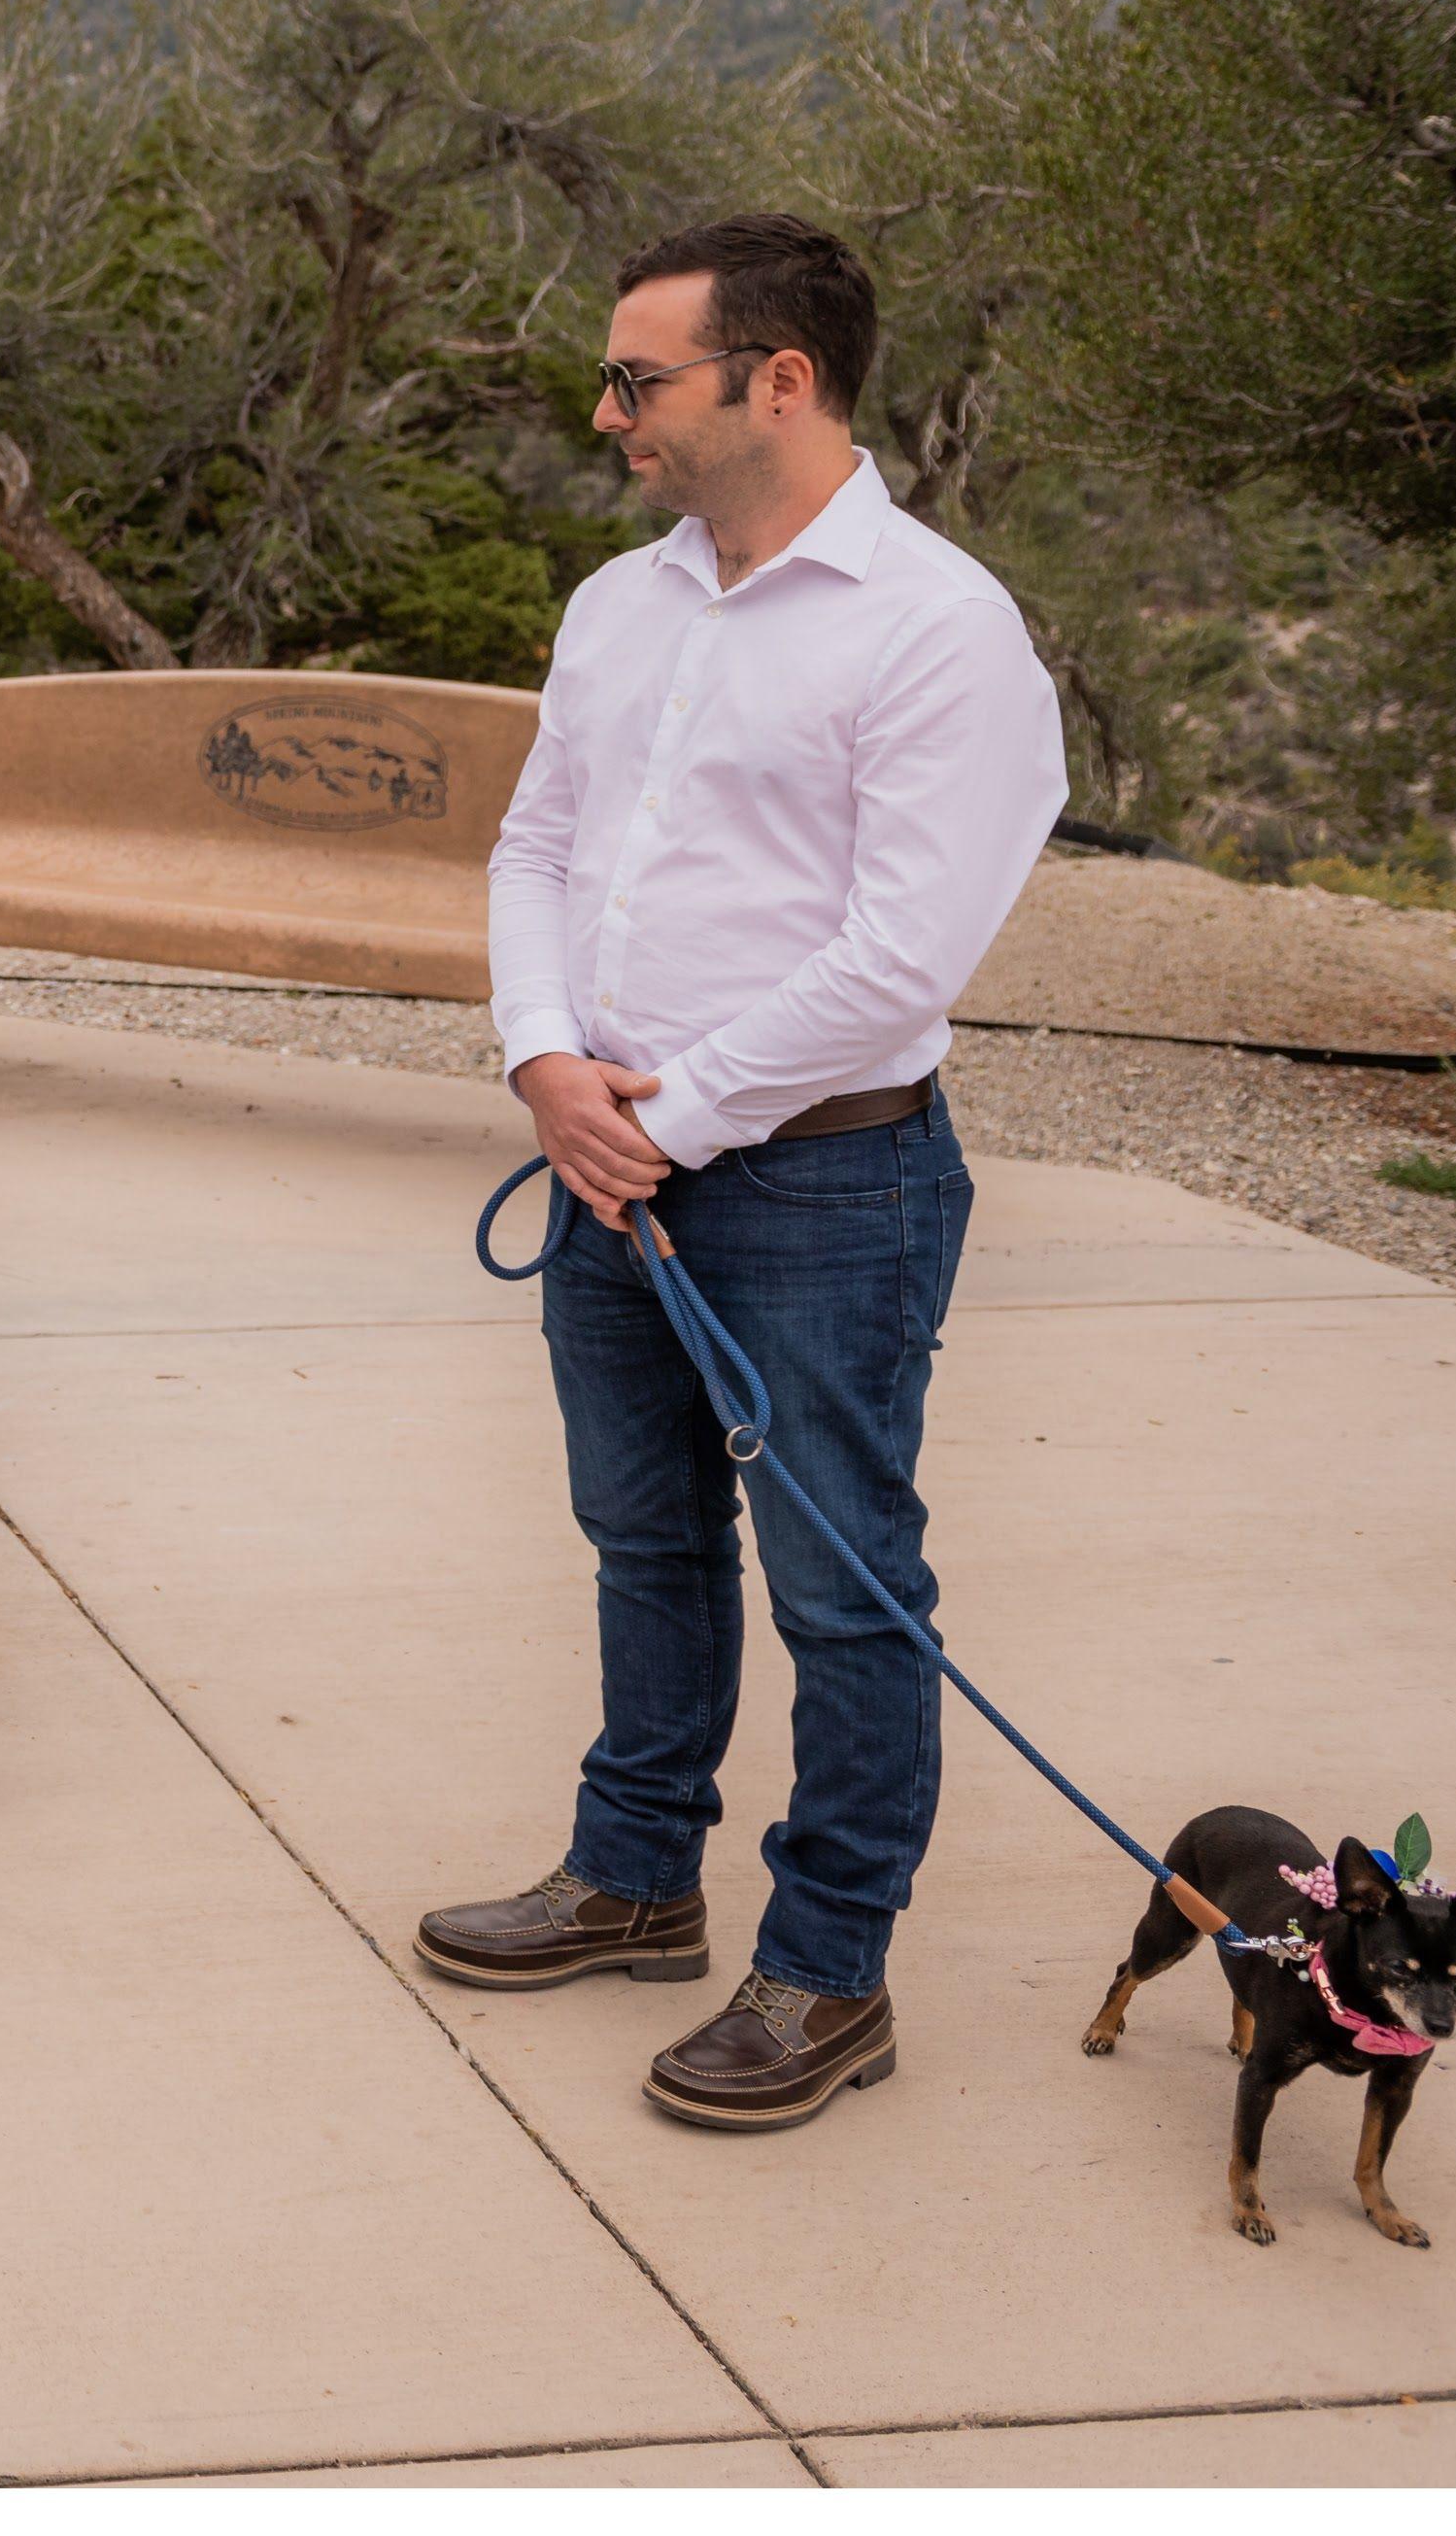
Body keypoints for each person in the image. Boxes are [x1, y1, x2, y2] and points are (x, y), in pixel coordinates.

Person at [423, 210, 1065, 2130]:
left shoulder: (940, 630)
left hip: (820, 1188)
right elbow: (533, 846)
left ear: (778, 380)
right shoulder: (620, 604)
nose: (603, 409)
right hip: (606, 1157)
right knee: (639, 1536)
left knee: (844, 1589)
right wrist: (544, 1061)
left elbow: (899, 956)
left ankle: (827, 1971)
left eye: (638, 376)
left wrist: (655, 1118)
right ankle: (633, 1874)